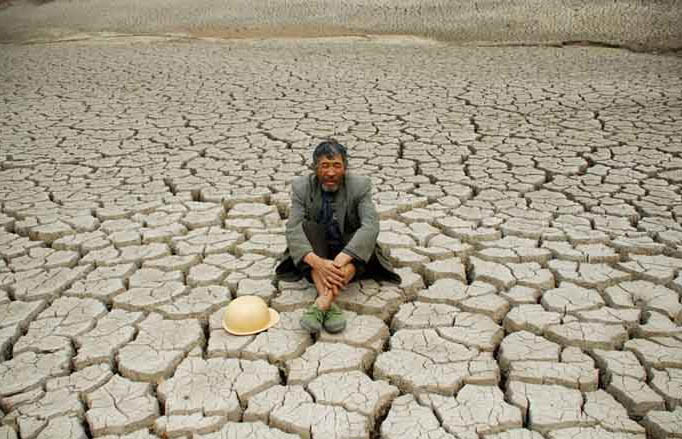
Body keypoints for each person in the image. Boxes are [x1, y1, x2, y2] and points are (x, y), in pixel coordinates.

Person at [275, 139, 400, 334]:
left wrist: (341, 259)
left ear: (345, 167)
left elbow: (370, 225)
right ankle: (329, 305)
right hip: (318, 249)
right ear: (315, 168)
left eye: (336, 166)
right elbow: (293, 228)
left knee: (359, 243)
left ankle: (322, 303)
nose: (331, 172)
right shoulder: (302, 187)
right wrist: (317, 262)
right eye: (325, 166)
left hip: (349, 252)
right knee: (307, 228)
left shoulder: (360, 186)